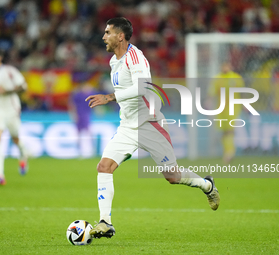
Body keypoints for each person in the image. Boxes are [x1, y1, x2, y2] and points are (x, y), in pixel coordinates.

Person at [85, 17, 220, 239]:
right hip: (127, 126)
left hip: (150, 124)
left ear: (120, 36)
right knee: (104, 166)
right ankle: (105, 222)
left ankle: (206, 184)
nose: (103, 36)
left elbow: (142, 87)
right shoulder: (113, 62)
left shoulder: (135, 57)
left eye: (107, 32)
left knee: (172, 176)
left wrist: (110, 97)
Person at [0, 48, 29, 185]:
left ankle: (23, 154)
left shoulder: (10, 71)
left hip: (11, 109)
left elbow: (23, 86)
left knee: (15, 138)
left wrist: (7, 91)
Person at [208, 62, 245, 164]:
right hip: (220, 109)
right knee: (224, 132)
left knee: (230, 130)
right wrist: (209, 102)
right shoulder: (217, 78)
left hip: (233, 108)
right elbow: (212, 93)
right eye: (223, 65)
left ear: (230, 66)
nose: (225, 67)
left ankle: (230, 152)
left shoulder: (236, 78)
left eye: (227, 65)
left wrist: (245, 104)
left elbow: (242, 92)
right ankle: (228, 152)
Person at [69, 82, 95, 158]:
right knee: (78, 133)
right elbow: (72, 105)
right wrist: (73, 114)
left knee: (88, 132)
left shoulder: (91, 94)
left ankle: (91, 150)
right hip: (79, 115)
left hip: (87, 116)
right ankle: (79, 150)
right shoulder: (78, 95)